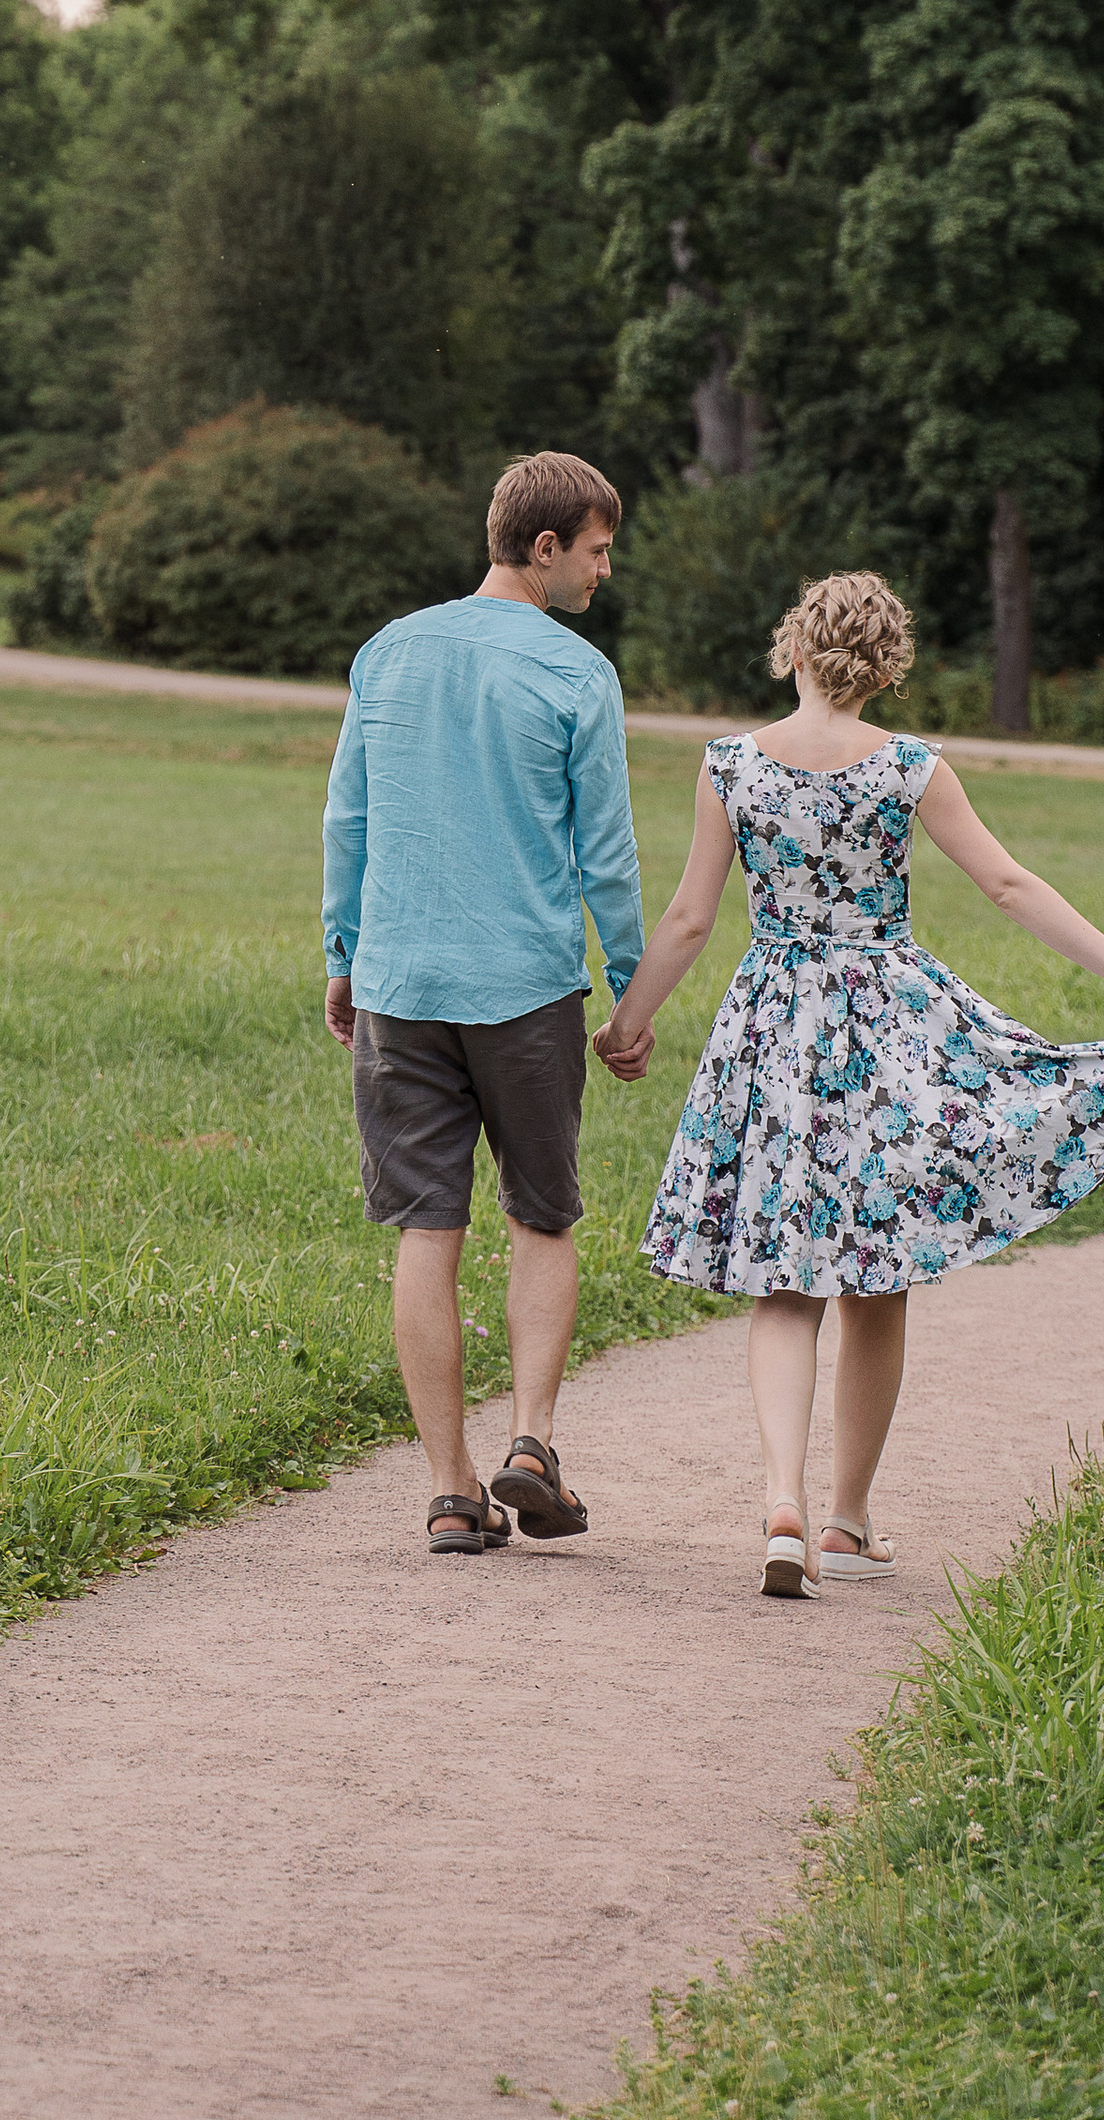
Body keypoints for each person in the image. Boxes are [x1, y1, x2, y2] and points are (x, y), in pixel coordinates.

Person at [592, 568, 1104, 1597]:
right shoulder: (911, 770)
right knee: (876, 1280)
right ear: (886, 668)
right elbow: (1007, 884)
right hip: (889, 1029)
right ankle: (844, 1522)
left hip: (774, 1028)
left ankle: (781, 1499)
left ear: (792, 650)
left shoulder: (730, 766)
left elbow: (692, 920)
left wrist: (628, 1021)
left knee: (786, 1283)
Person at [323, 451, 646, 1557]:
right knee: (539, 1214)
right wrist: (633, 983)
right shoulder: (573, 675)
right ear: (544, 547)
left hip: (401, 984)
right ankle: (531, 1444)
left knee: (427, 1227)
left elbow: (348, 817)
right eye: (597, 551)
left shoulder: (388, 653)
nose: (606, 572)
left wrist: (344, 953)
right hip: (524, 986)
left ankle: (452, 1493)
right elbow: (604, 849)